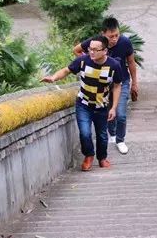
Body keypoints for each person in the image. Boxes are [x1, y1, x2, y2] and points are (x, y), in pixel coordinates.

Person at [43, 35, 122, 171]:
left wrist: (113, 108)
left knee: (102, 135)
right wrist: (53, 78)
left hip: (102, 106)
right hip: (83, 104)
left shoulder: (114, 66)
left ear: (105, 51)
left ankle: (102, 158)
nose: (91, 52)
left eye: (96, 50)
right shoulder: (83, 61)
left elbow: (117, 86)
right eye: (90, 49)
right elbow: (67, 70)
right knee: (85, 133)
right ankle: (89, 156)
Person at [74, 17, 138, 155]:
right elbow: (77, 50)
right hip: (100, 84)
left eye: (117, 35)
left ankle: (120, 140)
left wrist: (135, 83)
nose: (114, 39)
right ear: (103, 34)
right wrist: (89, 62)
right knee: (107, 110)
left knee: (120, 113)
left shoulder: (125, 43)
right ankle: (112, 134)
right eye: (111, 36)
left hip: (120, 82)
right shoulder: (95, 43)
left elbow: (131, 62)